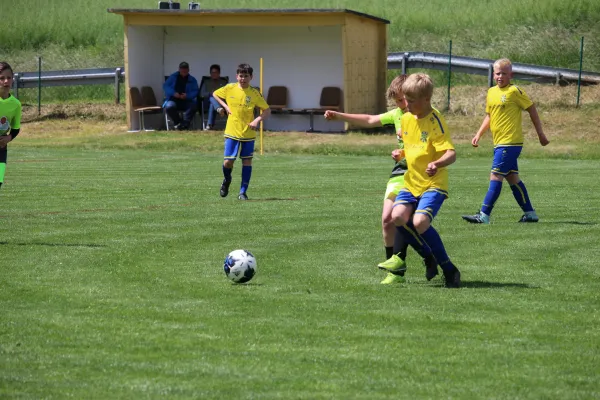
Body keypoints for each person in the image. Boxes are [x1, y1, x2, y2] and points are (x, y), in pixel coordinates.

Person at [324, 75, 438, 285]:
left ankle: (425, 257)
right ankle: (395, 270)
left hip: (417, 175)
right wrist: (339, 116)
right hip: (398, 173)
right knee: (386, 220)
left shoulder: (424, 117)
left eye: (404, 100)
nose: (403, 105)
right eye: (398, 102)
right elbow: (369, 120)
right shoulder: (398, 115)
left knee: (401, 219)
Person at [377, 73, 461, 288]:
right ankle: (428, 256)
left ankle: (449, 269)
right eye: (405, 99)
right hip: (411, 182)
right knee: (396, 216)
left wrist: (437, 164)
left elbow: (450, 153)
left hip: (433, 184)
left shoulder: (435, 121)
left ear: (426, 99)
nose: (407, 105)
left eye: (411, 101)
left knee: (420, 222)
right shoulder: (406, 119)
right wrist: (401, 154)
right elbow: (414, 149)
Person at [462, 58, 550, 224]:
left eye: (503, 73)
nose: (500, 76)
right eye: (497, 73)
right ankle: (530, 214)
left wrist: (540, 134)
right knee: (512, 178)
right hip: (499, 143)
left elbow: (532, 109)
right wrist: (478, 134)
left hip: (511, 143)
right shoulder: (491, 92)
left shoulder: (514, 91)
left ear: (511, 75)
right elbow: (489, 115)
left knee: (495, 175)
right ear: (493, 74)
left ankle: (484, 215)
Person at [213, 63, 271, 200]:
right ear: (236, 76)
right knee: (228, 162)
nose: (243, 79)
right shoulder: (229, 88)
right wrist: (226, 106)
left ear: (251, 77)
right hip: (232, 132)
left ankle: (242, 192)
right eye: (241, 76)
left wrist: (257, 121)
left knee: (247, 162)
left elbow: (267, 110)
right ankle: (227, 180)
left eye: (246, 76)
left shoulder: (255, 93)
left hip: (248, 133)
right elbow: (215, 94)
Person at [0, 62, 22, 192]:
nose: (6, 81)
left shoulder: (16, 104)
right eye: (1, 78)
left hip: (1, 150)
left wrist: (8, 138)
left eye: (9, 77)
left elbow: (15, 128)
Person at [163, 61, 199, 130]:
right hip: (173, 99)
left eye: (185, 69)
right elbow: (166, 86)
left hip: (186, 100)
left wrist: (187, 95)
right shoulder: (173, 77)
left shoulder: (192, 79)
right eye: (182, 69)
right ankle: (178, 123)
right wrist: (174, 93)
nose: (184, 70)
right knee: (169, 106)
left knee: (194, 105)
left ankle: (185, 123)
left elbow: (196, 91)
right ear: (179, 69)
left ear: (188, 70)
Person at [200, 64, 228, 130]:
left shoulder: (224, 82)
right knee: (212, 97)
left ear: (219, 73)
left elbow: (227, 94)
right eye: (212, 72)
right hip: (207, 102)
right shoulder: (206, 82)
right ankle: (218, 109)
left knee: (212, 104)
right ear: (210, 73)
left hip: (221, 103)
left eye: (216, 72)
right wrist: (210, 94)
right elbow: (202, 94)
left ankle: (209, 125)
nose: (214, 74)